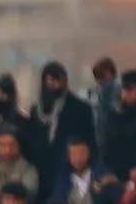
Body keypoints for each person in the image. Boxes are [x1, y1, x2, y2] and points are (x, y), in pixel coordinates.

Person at [24, 61, 97, 196]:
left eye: (58, 80)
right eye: (51, 80)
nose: (55, 85)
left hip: (68, 171)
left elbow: (89, 140)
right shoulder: (36, 111)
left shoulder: (80, 108)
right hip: (40, 172)